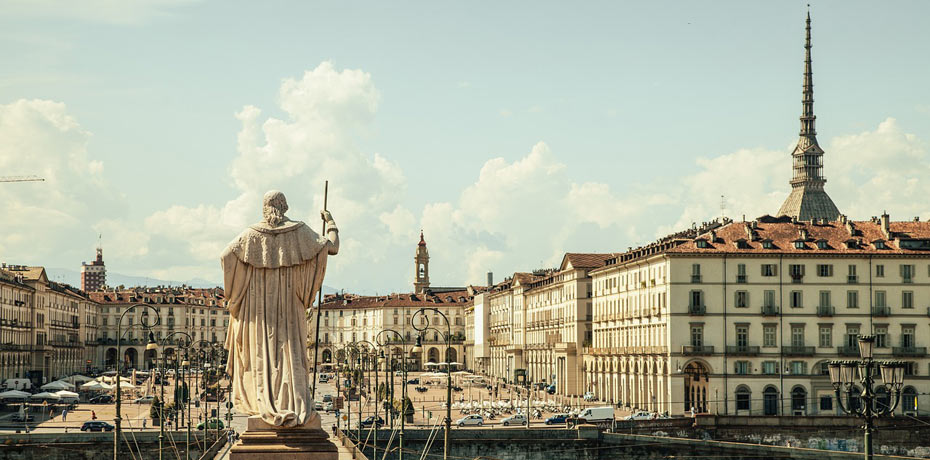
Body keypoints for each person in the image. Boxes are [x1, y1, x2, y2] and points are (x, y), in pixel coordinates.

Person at [223, 191, 339, 428]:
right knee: (291, 353)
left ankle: (265, 402)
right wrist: (331, 222)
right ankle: (294, 403)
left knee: (262, 356)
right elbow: (332, 248)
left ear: (265, 208)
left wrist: (236, 293)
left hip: (258, 308)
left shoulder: (251, 234)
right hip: (290, 305)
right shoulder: (299, 231)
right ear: (285, 207)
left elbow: (226, 256)